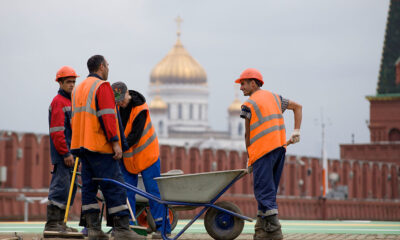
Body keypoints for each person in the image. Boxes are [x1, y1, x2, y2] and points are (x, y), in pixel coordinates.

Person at [70, 55, 144, 240]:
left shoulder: (79, 89)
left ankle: (93, 230)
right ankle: (122, 230)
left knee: (89, 187)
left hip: (81, 146)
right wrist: (116, 143)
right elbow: (108, 117)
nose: (109, 68)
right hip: (99, 146)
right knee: (115, 186)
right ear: (101, 67)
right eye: (108, 65)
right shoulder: (102, 87)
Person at [235, 68, 302, 240]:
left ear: (253, 83)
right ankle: (262, 229)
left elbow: (247, 134)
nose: (241, 87)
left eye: (243, 83)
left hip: (262, 152)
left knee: (263, 191)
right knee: (269, 190)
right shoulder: (276, 98)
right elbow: (298, 107)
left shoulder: (248, 104)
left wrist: (250, 158)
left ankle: (274, 230)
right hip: (279, 149)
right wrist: (296, 131)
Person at [111, 82, 171, 239]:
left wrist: (118, 148)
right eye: (116, 101)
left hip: (147, 155)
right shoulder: (116, 108)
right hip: (128, 158)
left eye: (121, 100)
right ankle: (129, 227)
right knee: (126, 192)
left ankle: (163, 228)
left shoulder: (140, 109)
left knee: (153, 192)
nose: (120, 103)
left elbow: (134, 136)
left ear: (127, 94)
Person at [44, 66, 79, 233]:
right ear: (60, 83)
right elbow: (57, 131)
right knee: (60, 187)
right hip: (63, 154)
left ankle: (61, 223)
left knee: (69, 189)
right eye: (68, 82)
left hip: (72, 154)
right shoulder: (59, 102)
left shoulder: (71, 101)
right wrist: (65, 153)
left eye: (73, 82)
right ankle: (52, 224)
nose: (72, 85)